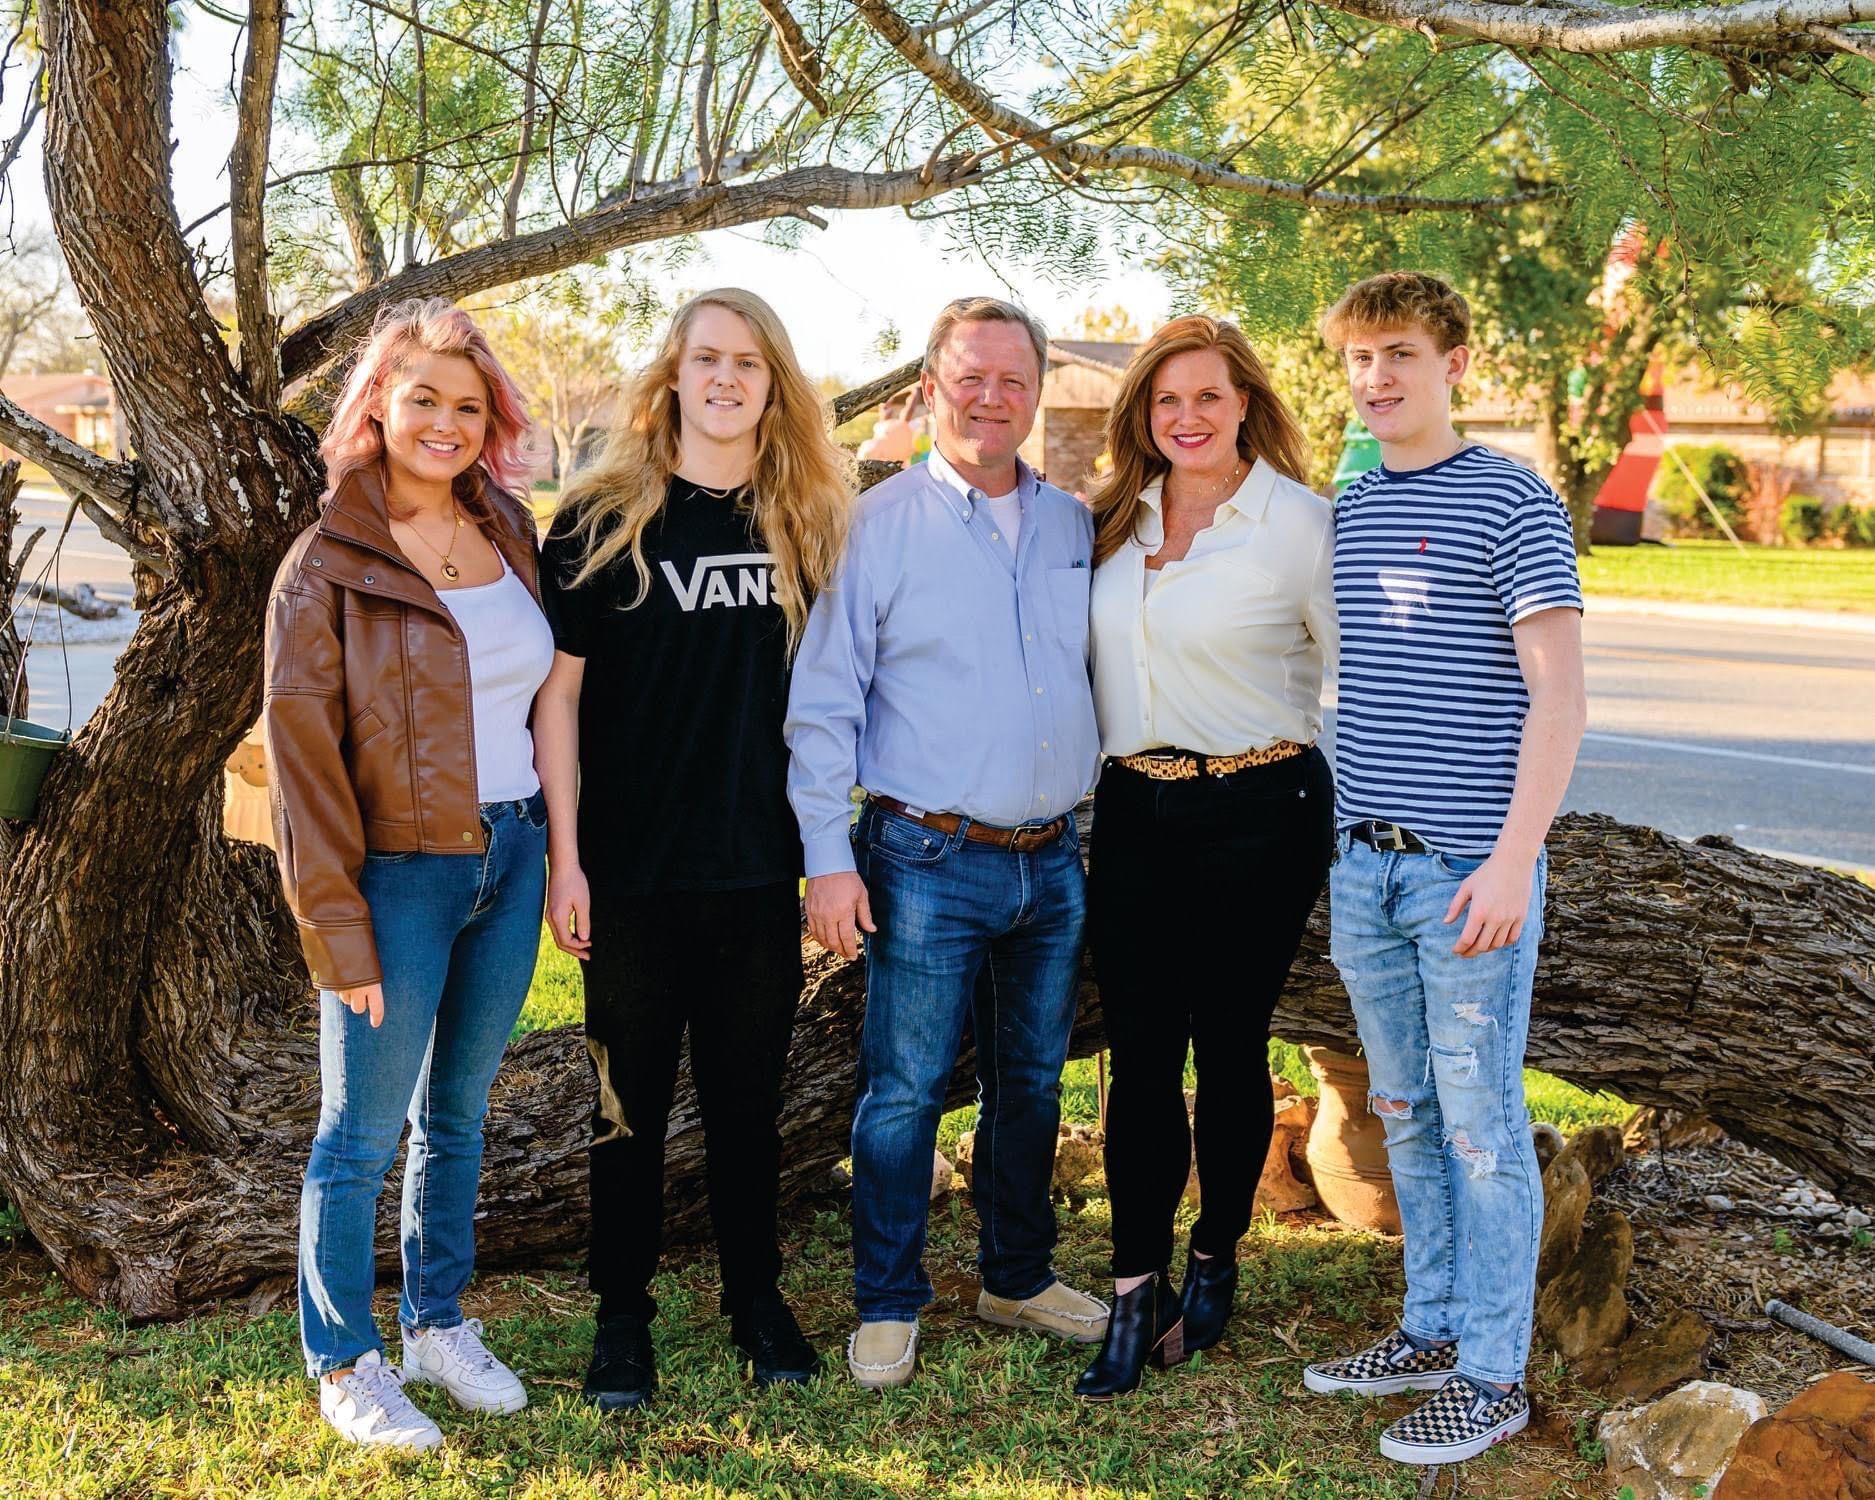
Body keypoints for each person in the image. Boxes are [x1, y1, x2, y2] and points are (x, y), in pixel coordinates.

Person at [533, 288, 853, 1410]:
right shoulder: (596, 518)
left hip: (757, 873)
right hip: (628, 876)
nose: (726, 379)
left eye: (750, 364)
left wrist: (828, 853)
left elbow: (839, 701)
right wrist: (566, 861)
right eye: (706, 358)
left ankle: (754, 1298)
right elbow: (557, 705)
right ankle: (623, 1317)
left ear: (775, 386)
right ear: (672, 373)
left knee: (748, 1107)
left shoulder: (808, 521)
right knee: (623, 1112)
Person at [785, 296, 1109, 1389]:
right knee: (906, 1089)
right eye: (969, 377)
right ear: (929, 388)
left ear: (1036, 395)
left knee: (1030, 1082)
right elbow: (824, 703)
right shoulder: (878, 527)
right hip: (924, 857)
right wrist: (828, 859)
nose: (991, 397)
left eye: (1013, 380)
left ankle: (1016, 1275)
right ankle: (888, 1301)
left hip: (1054, 859)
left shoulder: (1072, 526)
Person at [1302, 272, 1586, 1466]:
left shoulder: (1513, 502)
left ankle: (1491, 1373)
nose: (1378, 378)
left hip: (1468, 875)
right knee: (1406, 1112)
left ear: (1455, 362)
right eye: (1361, 358)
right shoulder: (1350, 509)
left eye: (1401, 354)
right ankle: (1427, 1328)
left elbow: (1559, 699)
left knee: (1481, 1126)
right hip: (1364, 871)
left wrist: (1516, 861)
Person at [265, 298, 551, 1451]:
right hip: (396, 872)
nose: (443, 421)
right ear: (375, 404)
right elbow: (303, 765)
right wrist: (338, 924)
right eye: (421, 396)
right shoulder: (324, 564)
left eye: (467, 405)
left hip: (515, 850)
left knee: (462, 1116)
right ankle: (344, 1360)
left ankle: (436, 1321)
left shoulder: (510, 528)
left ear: (492, 424)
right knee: (357, 1135)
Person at [1074, 316, 1336, 1400]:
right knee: (1138, 1056)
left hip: (1263, 810)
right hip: (1135, 810)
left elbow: (1359, 680)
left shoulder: (1300, 524)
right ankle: (1133, 1293)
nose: (1186, 418)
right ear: (1142, 412)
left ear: (1245, 406)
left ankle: (1217, 1254)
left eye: (1208, 398)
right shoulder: (1106, 525)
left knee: (1229, 1045)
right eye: (1165, 400)